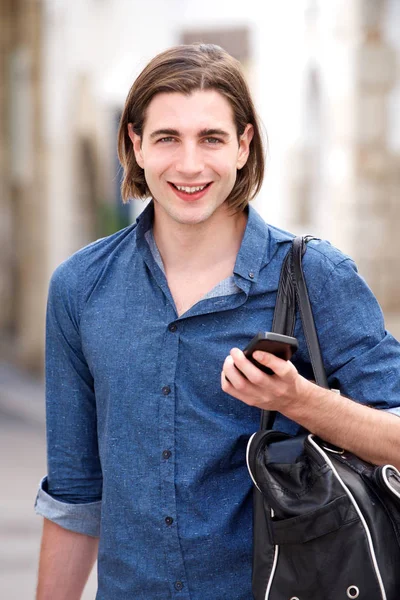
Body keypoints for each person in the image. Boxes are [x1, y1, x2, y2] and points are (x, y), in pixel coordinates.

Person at [35, 44, 400, 600]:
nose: (188, 165)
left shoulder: (315, 276)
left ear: (242, 145)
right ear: (134, 143)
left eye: (210, 138)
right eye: (166, 138)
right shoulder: (80, 289)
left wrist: (301, 401)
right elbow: (75, 494)